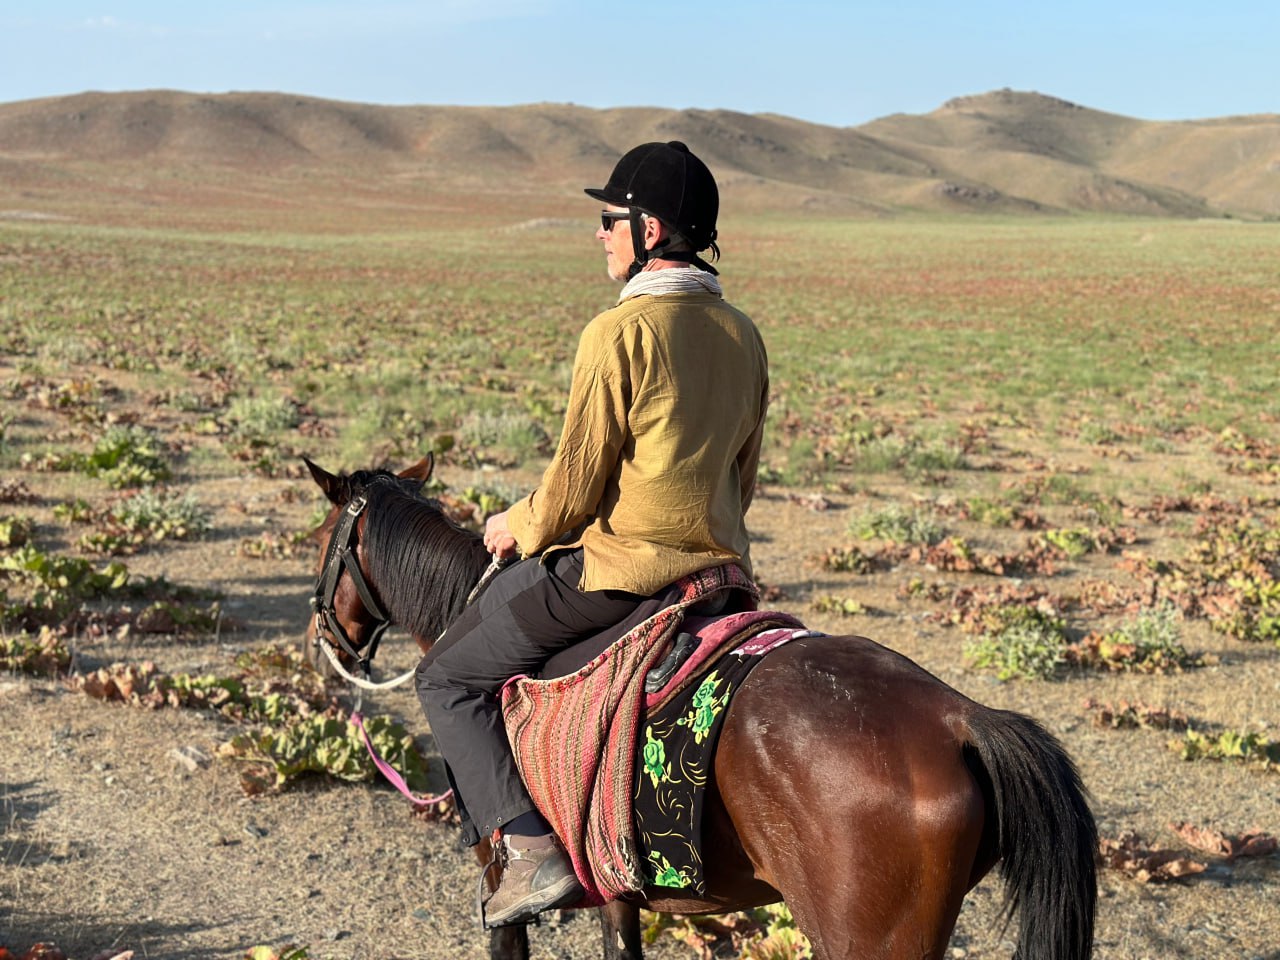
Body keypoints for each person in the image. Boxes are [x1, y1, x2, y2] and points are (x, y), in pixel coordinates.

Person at [415, 140, 769, 928]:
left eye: (611, 220)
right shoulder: (743, 333)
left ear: (650, 231)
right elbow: (741, 478)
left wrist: (515, 524)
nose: (600, 234)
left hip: (617, 578)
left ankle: (529, 849)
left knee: (445, 678)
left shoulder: (617, 333)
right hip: (719, 575)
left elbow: (571, 492)